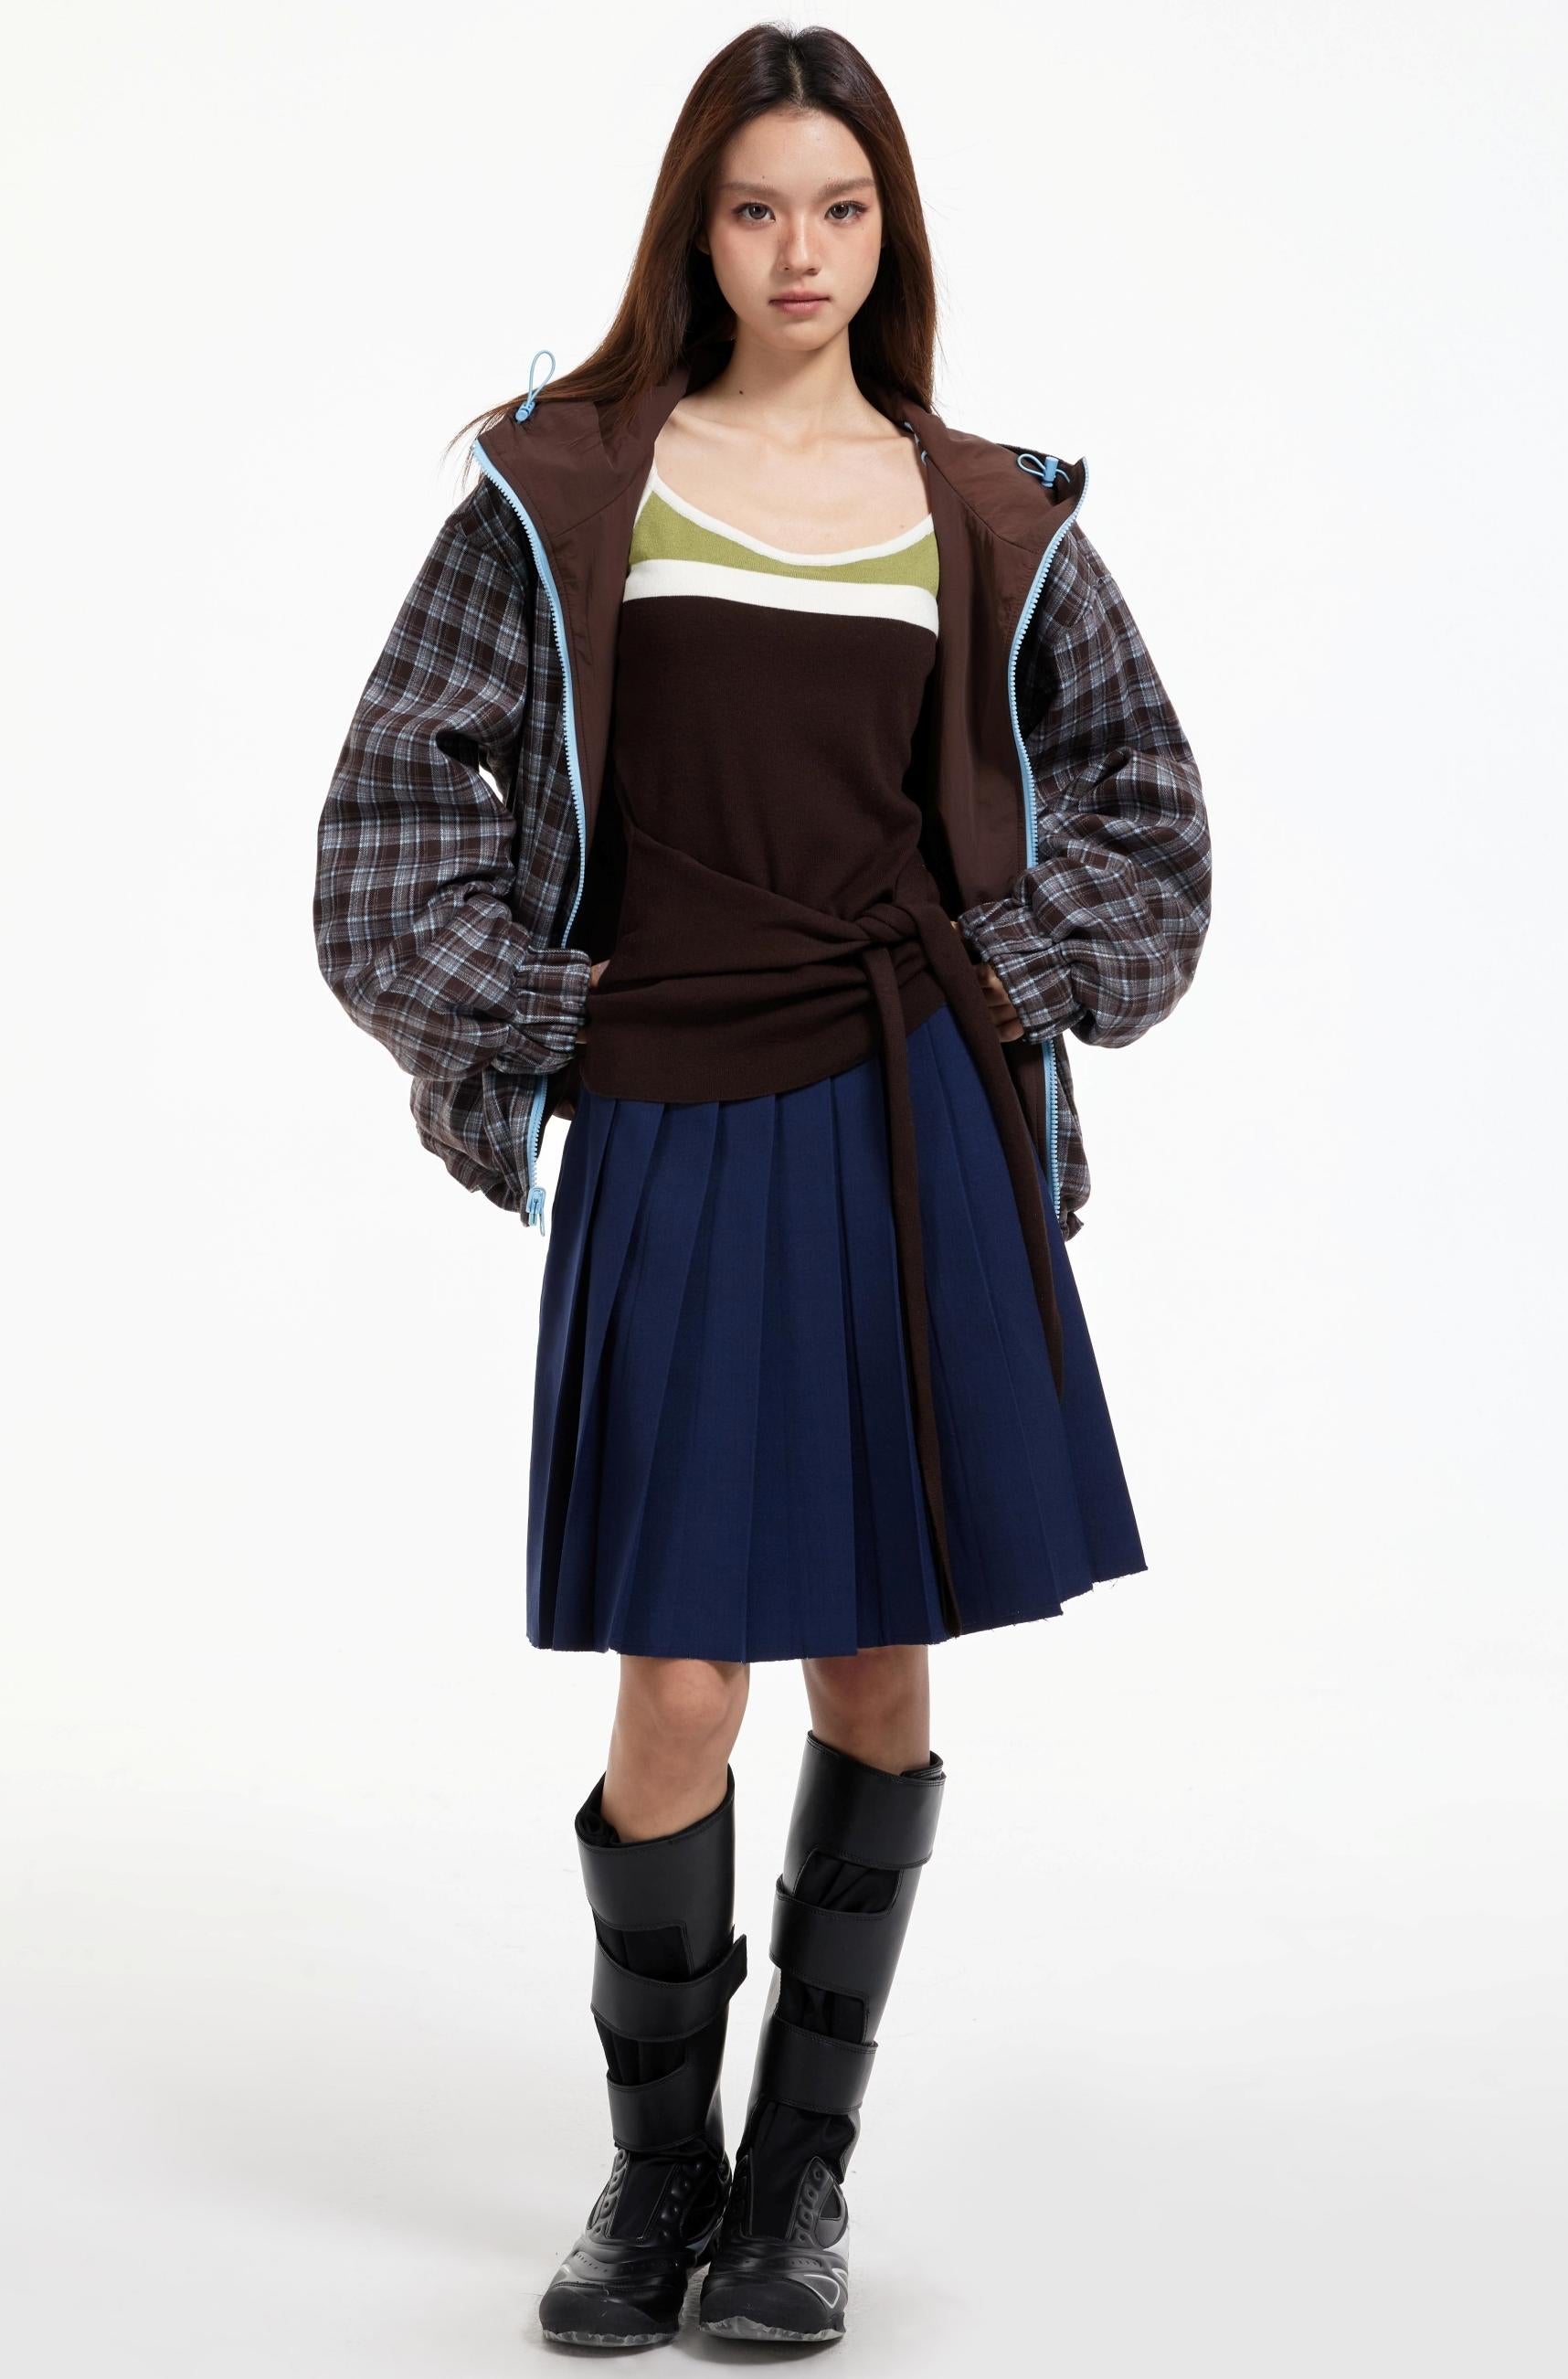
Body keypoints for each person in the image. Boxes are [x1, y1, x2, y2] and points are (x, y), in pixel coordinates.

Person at [313, 20, 1211, 2352]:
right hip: (677, 1100)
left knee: (877, 1659)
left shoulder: (981, 508)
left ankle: (797, 2184)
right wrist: (540, 1014)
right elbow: (390, 815)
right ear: (691, 229)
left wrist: (1007, 976)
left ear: (886, 228)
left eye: (839, 206)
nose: (798, 251)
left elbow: (1146, 810)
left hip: (911, 1111)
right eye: (753, 207)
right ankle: (656, 2180)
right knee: (681, 1683)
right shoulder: (566, 485)